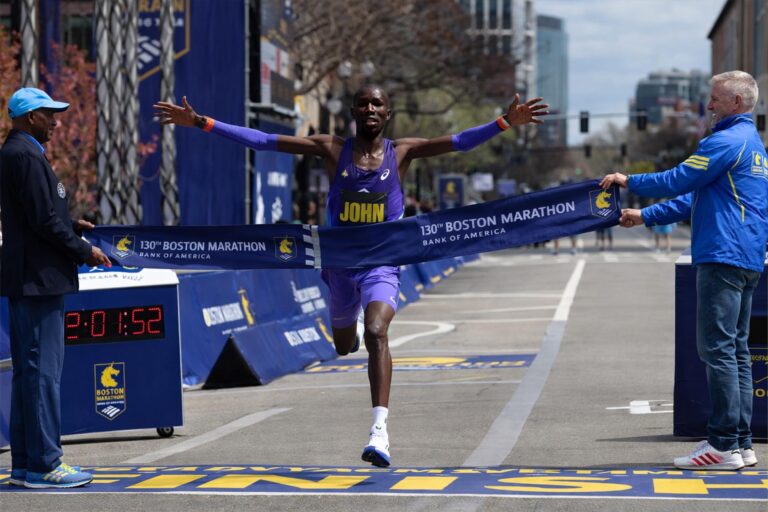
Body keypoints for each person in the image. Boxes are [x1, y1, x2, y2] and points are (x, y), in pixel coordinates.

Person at [155, 85, 548, 467]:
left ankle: (379, 430)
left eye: (378, 104)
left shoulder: (403, 152)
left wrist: (504, 122)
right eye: (363, 104)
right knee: (345, 345)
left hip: (382, 261)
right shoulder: (332, 149)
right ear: (354, 113)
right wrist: (204, 123)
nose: (371, 110)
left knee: (378, 332)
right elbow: (262, 140)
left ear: (387, 113)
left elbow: (460, 141)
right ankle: (353, 325)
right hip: (340, 264)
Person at [600, 71, 767, 471]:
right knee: (735, 352)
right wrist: (644, 216)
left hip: (722, 254)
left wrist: (630, 179)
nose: (708, 106)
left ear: (737, 104)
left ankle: (723, 444)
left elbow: (680, 178)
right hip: (744, 256)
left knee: (718, 351)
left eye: (715, 99)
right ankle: (740, 444)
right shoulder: (753, 145)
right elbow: (694, 196)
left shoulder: (724, 141)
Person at [0, 87, 112, 488]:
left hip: (33, 278)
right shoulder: (24, 155)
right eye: (50, 115)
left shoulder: (22, 153)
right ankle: (47, 465)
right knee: (41, 375)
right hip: (37, 280)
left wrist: (72, 225)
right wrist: (84, 250)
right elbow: (43, 222)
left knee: (30, 375)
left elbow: (43, 216)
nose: (57, 121)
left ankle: (27, 465)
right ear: (31, 117)